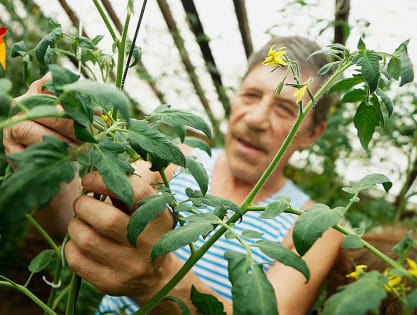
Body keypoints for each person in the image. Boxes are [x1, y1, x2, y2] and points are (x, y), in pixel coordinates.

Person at [3, 35, 343, 314]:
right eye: (251, 95)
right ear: (234, 98)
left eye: (286, 107)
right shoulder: (177, 158)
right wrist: (48, 169)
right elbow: (82, 221)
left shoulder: (315, 226)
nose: (256, 119)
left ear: (312, 132)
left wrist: (159, 280)